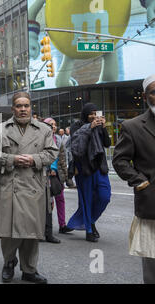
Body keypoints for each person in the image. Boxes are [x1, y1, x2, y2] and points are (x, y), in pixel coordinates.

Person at [0, 92, 58, 284]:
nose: (23, 109)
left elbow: (52, 153)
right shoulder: (0, 129)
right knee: (8, 233)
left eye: (26, 105)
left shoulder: (44, 129)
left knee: (31, 232)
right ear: (13, 109)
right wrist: (12, 159)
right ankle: (9, 263)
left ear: (31, 107)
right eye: (19, 106)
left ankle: (29, 269)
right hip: (9, 186)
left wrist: (34, 159)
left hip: (33, 186)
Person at [113, 74, 155, 284]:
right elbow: (120, 161)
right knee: (150, 250)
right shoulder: (133, 126)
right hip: (152, 196)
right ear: (145, 96)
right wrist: (139, 181)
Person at [66, 103, 112, 242]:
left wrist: (103, 128)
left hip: (99, 166)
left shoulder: (99, 125)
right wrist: (89, 128)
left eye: (95, 113)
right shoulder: (77, 126)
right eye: (90, 113)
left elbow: (107, 143)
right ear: (85, 114)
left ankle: (88, 221)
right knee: (86, 200)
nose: (93, 116)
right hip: (84, 167)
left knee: (105, 196)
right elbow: (76, 145)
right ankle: (89, 230)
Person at [43, 118, 69, 241]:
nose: (53, 126)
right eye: (50, 124)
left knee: (60, 199)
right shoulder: (42, 138)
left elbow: (63, 159)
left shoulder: (59, 140)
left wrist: (66, 176)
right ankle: (45, 228)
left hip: (57, 174)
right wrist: (49, 169)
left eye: (54, 124)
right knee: (48, 202)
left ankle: (62, 224)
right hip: (45, 174)